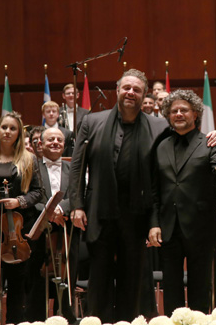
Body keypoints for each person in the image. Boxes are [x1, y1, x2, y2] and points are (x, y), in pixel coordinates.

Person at [67, 69, 169, 322]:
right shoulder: (92, 122)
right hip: (99, 211)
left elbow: (161, 176)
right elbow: (78, 167)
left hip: (137, 214)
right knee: (99, 277)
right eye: (126, 88)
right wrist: (77, 205)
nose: (130, 93)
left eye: (136, 89)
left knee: (133, 279)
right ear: (117, 89)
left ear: (144, 95)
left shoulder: (159, 126)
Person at [148, 90, 216, 315]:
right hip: (168, 227)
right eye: (174, 110)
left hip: (201, 228)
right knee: (172, 289)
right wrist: (154, 223)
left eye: (184, 110)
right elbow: (154, 191)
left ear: (195, 114)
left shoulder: (210, 141)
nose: (178, 114)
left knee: (200, 289)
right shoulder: (160, 146)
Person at [0, 112, 44, 324]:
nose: (7, 131)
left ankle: (16, 322)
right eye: (4, 127)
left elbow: (38, 192)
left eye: (12, 128)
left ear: (19, 132)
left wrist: (19, 202)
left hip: (16, 228)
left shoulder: (29, 159)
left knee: (17, 281)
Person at [26, 127, 79, 322]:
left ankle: (65, 318)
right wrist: (48, 212)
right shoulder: (32, 167)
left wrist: (61, 209)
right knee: (38, 281)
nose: (55, 142)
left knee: (67, 280)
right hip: (41, 229)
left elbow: (77, 192)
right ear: (41, 144)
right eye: (50, 140)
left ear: (64, 144)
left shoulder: (73, 168)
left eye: (59, 139)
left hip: (67, 229)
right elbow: (32, 197)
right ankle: (36, 321)